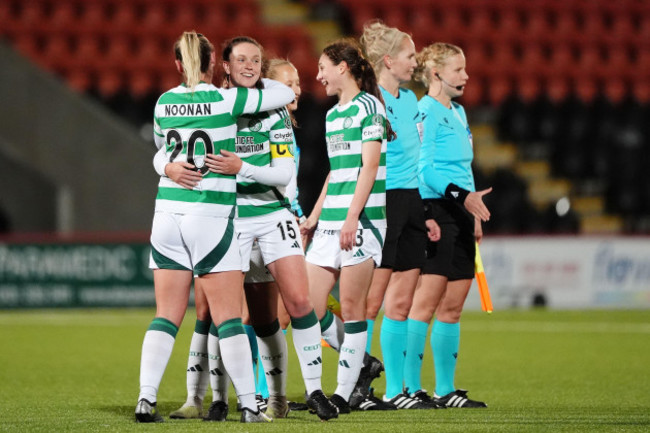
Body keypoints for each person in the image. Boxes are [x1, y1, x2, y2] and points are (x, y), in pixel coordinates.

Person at [159, 37, 337, 422]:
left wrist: (244, 169)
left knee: (295, 304)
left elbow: (286, 172)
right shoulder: (216, 106)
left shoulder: (272, 111)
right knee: (220, 314)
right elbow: (168, 146)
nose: (249, 65)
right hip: (228, 217)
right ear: (224, 65)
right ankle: (218, 399)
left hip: (272, 216)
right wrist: (166, 166)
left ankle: (309, 392)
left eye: (256, 60)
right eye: (240, 59)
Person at [137, 30, 294, 424]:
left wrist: (168, 167)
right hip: (209, 214)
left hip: (166, 215)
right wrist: (255, 70)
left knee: (166, 314)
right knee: (227, 317)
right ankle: (249, 405)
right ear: (213, 64)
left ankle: (146, 399)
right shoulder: (226, 98)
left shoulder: (164, 101)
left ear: (176, 64)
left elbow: (161, 151)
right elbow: (279, 92)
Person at [355, 20, 442, 410]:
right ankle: (357, 388)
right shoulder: (367, 103)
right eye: (409, 54)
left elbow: (417, 158)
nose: (416, 60)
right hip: (381, 201)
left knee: (401, 303)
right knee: (370, 303)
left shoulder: (409, 99)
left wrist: (424, 210)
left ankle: (398, 390)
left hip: (409, 202)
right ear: (388, 61)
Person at [301, 39, 389, 414]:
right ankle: (359, 367)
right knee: (305, 305)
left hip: (362, 221)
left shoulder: (370, 107)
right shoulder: (333, 116)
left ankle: (341, 393)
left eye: (323, 67)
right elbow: (337, 172)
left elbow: (368, 167)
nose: (318, 75)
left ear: (343, 68)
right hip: (331, 221)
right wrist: (314, 216)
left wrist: (353, 217)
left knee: (353, 309)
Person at [405, 42, 491, 408]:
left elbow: (463, 167)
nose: (466, 76)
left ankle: (445, 390)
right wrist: (462, 197)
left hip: (459, 210)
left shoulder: (457, 112)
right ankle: (408, 388)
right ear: (436, 73)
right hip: (435, 209)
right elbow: (424, 170)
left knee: (453, 306)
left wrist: (471, 212)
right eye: (459, 69)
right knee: (424, 304)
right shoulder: (424, 113)